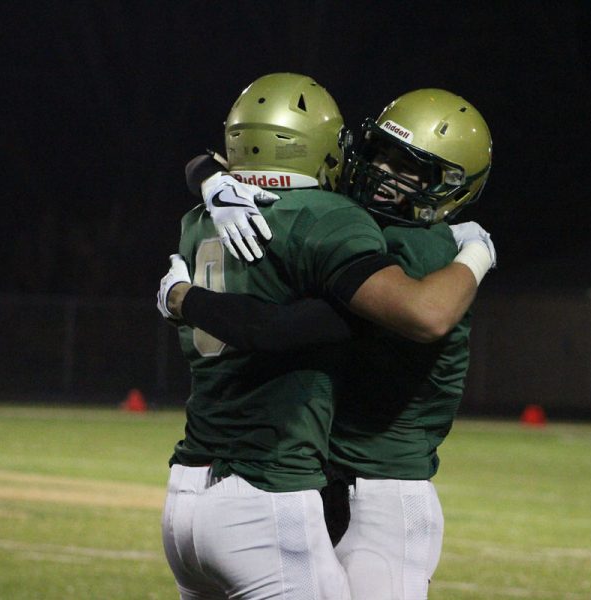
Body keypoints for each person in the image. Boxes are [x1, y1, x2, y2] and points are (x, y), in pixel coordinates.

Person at [158, 74, 494, 600]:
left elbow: (421, 314)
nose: (384, 173)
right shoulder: (338, 221)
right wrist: (208, 178)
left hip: (383, 490)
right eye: (380, 153)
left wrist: (477, 255)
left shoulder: (428, 252)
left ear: (450, 185)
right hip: (317, 481)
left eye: (410, 168)